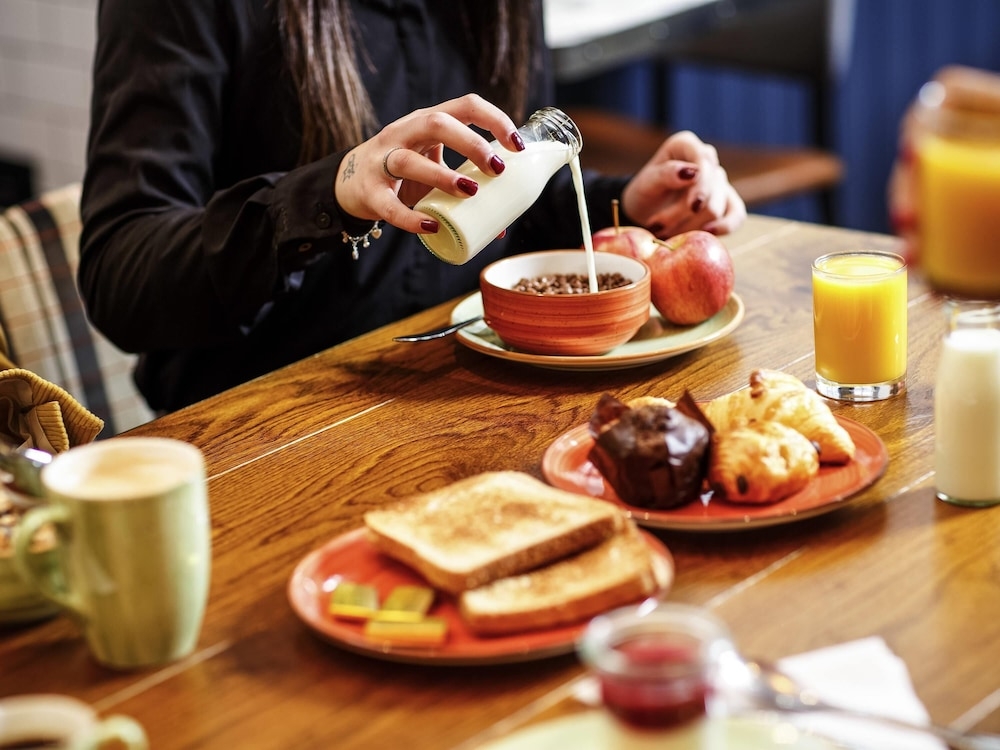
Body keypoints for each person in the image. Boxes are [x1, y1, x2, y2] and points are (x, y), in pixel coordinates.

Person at [79, 0, 746, 413]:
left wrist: (627, 204)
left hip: (469, 397)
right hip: (267, 426)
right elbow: (119, 276)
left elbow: (494, 204)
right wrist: (331, 195)